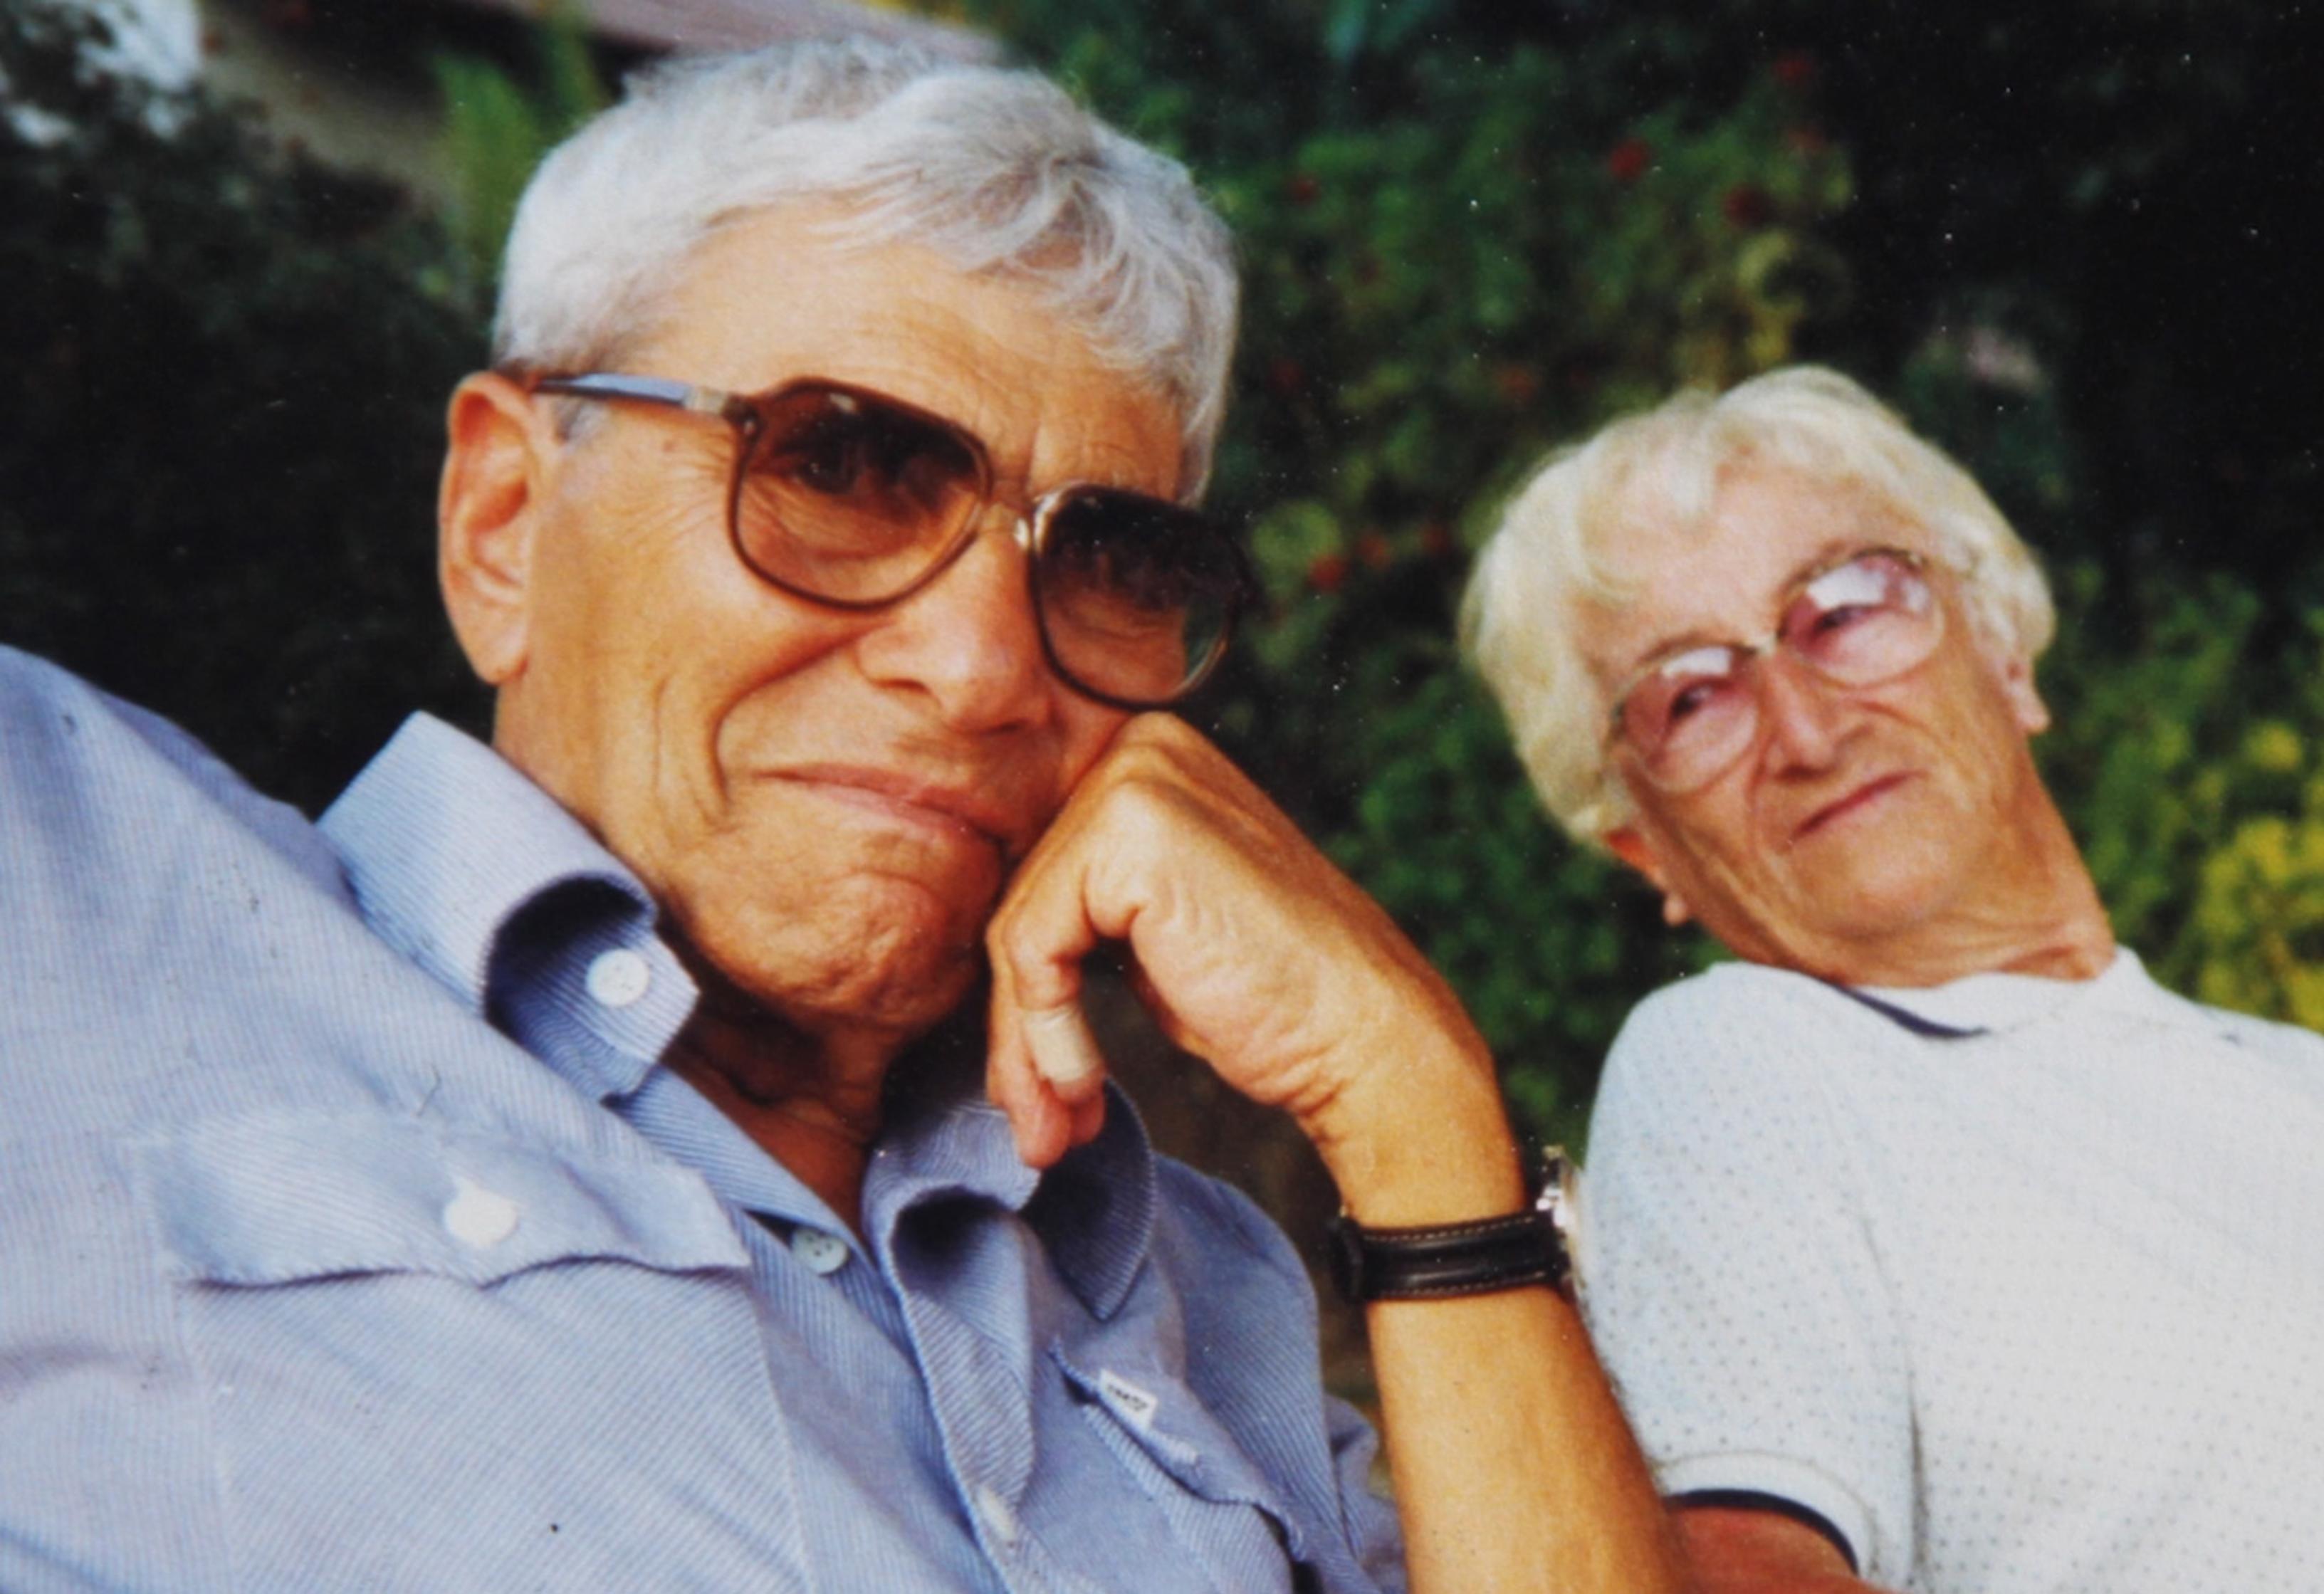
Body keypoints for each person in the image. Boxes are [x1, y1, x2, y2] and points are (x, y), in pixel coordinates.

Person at [0, 38, 1682, 1593]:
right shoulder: (80, 887)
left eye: (1104, 561)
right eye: (845, 468)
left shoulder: (1194, 1282)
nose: (978, 668)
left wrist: (1417, 1111)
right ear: (508, 520)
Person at [1460, 365, 2324, 1592]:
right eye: (1690, 699)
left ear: (2008, 653)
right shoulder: (1742, 1059)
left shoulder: (2298, 1077)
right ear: (1641, 843)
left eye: (1844, 612)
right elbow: (1736, 1575)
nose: (1807, 727)